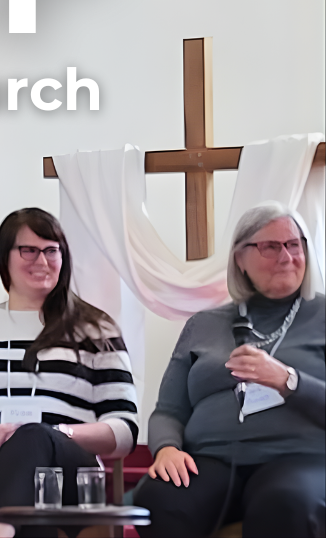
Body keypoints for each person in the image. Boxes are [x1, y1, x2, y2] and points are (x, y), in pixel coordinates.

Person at [0, 208, 138, 538]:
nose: (42, 261)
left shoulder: (96, 328)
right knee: (25, 491)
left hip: (71, 472)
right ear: (4, 257)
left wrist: (59, 432)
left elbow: (125, 429)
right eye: (29, 250)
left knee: (33, 436)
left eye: (52, 250)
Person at [134, 202, 325, 537]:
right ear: (240, 258)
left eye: (294, 245)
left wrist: (288, 380)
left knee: (284, 502)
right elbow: (168, 410)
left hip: (299, 458)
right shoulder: (204, 324)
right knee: (160, 498)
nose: (286, 256)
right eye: (270, 246)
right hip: (209, 459)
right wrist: (166, 449)